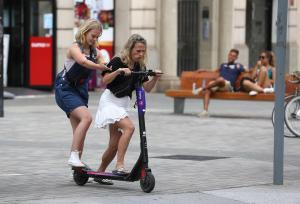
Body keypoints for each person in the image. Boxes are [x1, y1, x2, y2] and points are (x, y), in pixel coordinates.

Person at [94, 34, 162, 177]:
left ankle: (100, 172)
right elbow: (105, 79)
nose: (141, 54)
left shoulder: (140, 66)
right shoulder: (118, 61)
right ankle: (120, 165)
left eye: (143, 51)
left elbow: (147, 88)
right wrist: (119, 71)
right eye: (138, 51)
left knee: (113, 145)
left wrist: (155, 77)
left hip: (122, 104)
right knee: (129, 128)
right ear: (130, 49)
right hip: (110, 101)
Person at [54, 19, 111, 167]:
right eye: (93, 36)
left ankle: (77, 166)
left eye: (98, 37)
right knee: (86, 118)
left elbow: (104, 63)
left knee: (80, 129)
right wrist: (100, 66)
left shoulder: (95, 52)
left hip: (80, 91)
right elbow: (83, 62)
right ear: (84, 32)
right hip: (65, 89)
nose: (95, 39)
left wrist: (109, 67)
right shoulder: (74, 48)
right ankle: (74, 157)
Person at [192, 49, 246, 117]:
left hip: (228, 86)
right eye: (230, 55)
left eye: (233, 56)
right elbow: (214, 71)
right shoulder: (223, 65)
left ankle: (201, 89)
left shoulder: (238, 66)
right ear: (228, 55)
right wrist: (204, 70)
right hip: (218, 84)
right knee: (208, 90)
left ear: (236, 58)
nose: (231, 57)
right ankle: (205, 111)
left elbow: (247, 71)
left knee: (220, 80)